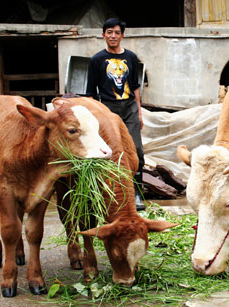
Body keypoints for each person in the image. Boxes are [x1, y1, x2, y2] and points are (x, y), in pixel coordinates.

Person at [86, 17, 146, 211]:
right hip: (107, 109)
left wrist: (139, 113)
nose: (113, 36)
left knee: (136, 150)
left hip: (129, 108)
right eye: (109, 32)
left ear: (122, 35)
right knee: (108, 152)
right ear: (103, 35)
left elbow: (136, 86)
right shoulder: (96, 60)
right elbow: (90, 92)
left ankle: (137, 193)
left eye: (117, 32)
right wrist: (95, 116)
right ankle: (106, 194)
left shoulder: (131, 57)